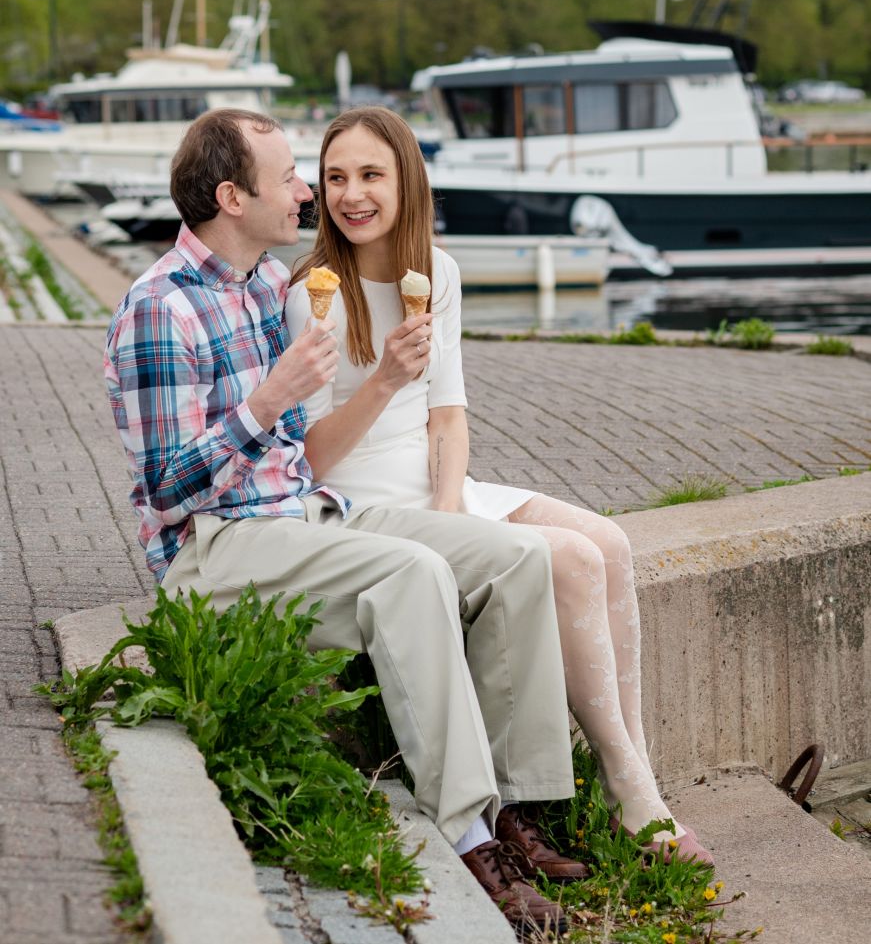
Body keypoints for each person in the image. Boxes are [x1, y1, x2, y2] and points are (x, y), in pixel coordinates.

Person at [104, 107, 591, 939]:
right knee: (411, 572)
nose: (306, 191)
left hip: (303, 516)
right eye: (290, 176)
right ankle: (469, 837)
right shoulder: (161, 309)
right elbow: (165, 488)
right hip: (212, 547)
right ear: (231, 196)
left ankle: (519, 807)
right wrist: (270, 400)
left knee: (513, 557)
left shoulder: (263, 284)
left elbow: (310, 446)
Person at [285, 106, 714, 868]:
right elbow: (310, 458)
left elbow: (449, 416)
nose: (352, 194)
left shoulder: (436, 273)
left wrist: (453, 512)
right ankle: (628, 792)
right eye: (336, 177)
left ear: (406, 180)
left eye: (370, 175)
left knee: (609, 541)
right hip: (359, 499)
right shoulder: (313, 291)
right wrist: (383, 378)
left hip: (436, 489)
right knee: (570, 560)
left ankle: (634, 774)